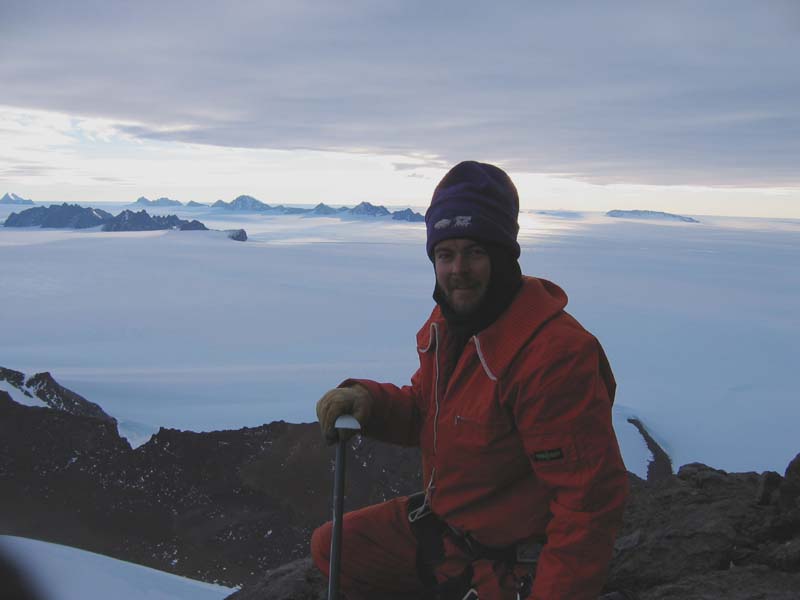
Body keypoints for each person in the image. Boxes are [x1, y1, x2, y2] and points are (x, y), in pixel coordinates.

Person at [311, 161, 628, 600]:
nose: (458, 268)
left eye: (474, 252)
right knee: (332, 548)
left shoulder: (553, 356)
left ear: (503, 256)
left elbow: (586, 507)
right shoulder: (451, 323)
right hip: (448, 534)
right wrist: (371, 403)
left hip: (509, 561)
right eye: (445, 254)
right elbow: (429, 410)